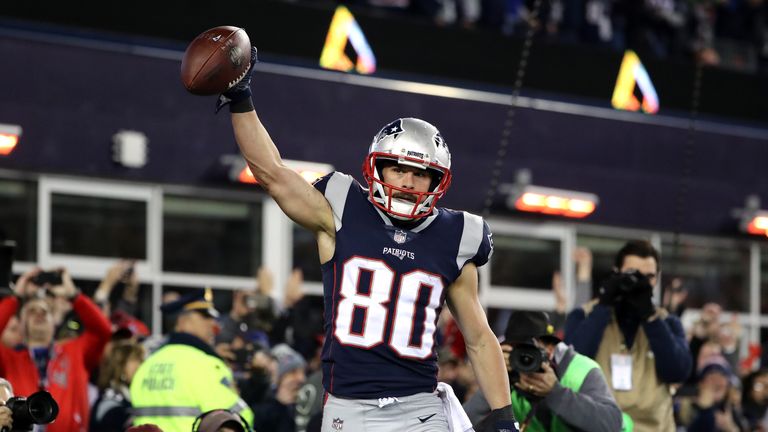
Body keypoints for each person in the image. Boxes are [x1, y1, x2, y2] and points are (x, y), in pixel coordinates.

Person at [214, 45, 514, 431]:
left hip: (419, 409)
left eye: (420, 174)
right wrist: (241, 98)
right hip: (348, 408)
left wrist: (504, 417)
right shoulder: (340, 207)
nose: (407, 182)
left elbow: (478, 338)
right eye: (397, 169)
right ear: (377, 169)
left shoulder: (456, 235)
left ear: (437, 181)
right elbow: (272, 173)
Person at [564, 240, 692, 432]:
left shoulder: (668, 322)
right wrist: (604, 304)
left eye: (648, 277)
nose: (640, 282)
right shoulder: (584, 315)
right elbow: (571, 365)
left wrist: (650, 317)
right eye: (633, 274)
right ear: (617, 272)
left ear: (657, 279)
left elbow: (678, 371)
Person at [463, 311, 622, 431]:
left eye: (529, 350)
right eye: (516, 350)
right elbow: (462, 424)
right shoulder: (508, 378)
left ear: (550, 348)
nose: (524, 358)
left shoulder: (581, 369)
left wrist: (555, 392)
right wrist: (496, 378)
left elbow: (611, 424)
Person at [0, 267, 112, 432]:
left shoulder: (75, 352)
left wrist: (73, 295)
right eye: (31, 312)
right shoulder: (9, 358)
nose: (39, 314)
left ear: (54, 323)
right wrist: (16, 297)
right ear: (22, 325)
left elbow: (103, 331)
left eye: (45, 312)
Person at [130, 288, 254, 432]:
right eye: (205, 318)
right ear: (183, 322)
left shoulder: (147, 365)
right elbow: (241, 418)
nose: (213, 325)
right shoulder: (206, 365)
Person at [90, 340, 147, 431]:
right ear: (119, 365)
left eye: (140, 360)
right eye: (133, 360)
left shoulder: (129, 395)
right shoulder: (111, 402)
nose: (139, 365)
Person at [251, 343, 307, 432]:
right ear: (278, 378)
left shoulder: (306, 406)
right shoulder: (262, 408)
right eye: (293, 372)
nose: (301, 378)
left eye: (303, 372)